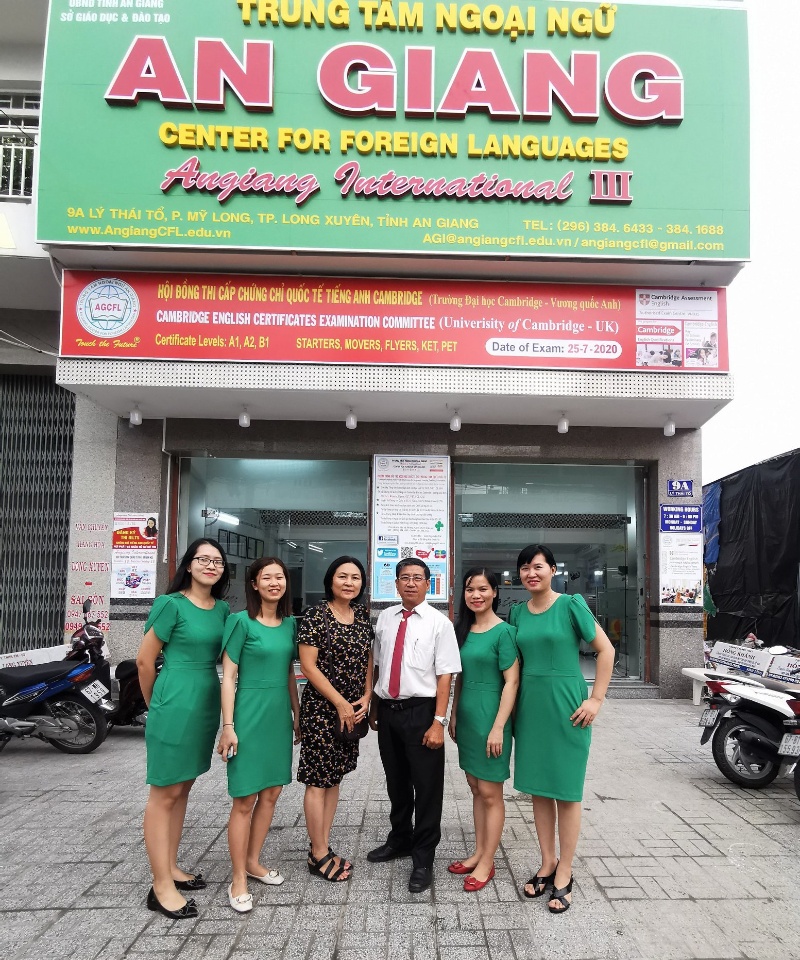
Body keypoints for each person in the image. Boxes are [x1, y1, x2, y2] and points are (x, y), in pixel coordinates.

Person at [512, 544, 614, 915]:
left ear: (553, 570)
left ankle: (565, 870)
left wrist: (596, 699)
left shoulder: (571, 605)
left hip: (568, 708)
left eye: (538, 566)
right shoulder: (517, 612)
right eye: (525, 567)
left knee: (567, 792)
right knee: (539, 790)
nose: (531, 573)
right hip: (530, 708)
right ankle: (547, 862)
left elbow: (606, 650)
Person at [136, 537, 230, 919]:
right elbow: (145, 661)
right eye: (203, 559)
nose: (210, 565)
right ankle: (160, 886)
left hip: (205, 702)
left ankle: (171, 867)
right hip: (174, 700)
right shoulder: (170, 604)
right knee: (163, 793)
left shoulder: (223, 609)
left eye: (217, 561)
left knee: (182, 788)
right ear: (188, 565)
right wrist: (156, 706)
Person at [367, 559, 462, 893]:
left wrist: (439, 723)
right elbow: (378, 665)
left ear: (428, 584)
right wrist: (375, 705)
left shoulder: (440, 623)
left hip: (422, 713)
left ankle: (423, 857)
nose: (410, 583)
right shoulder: (385, 619)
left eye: (417, 578)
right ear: (395, 584)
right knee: (396, 782)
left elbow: (445, 675)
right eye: (404, 577)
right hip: (389, 712)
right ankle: (400, 839)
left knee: (427, 787)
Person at [217, 557, 301, 913]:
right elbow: (228, 677)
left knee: (271, 793)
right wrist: (228, 726)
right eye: (267, 577)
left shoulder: (290, 624)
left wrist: (297, 713)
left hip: (278, 716)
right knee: (244, 798)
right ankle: (237, 877)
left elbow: (289, 672)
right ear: (254, 584)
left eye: (279, 577)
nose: (274, 583)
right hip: (248, 716)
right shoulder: (240, 622)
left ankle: (253, 861)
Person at [297, 556, 373, 882]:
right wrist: (340, 702)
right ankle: (318, 853)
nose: (349, 582)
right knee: (318, 781)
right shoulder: (316, 615)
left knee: (335, 777)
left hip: (352, 711)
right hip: (321, 710)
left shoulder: (362, 616)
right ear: (330, 580)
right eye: (342, 576)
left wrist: (367, 694)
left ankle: (322, 846)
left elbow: (368, 658)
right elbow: (308, 666)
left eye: (355, 577)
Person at [447, 567, 519, 892]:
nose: (476, 595)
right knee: (476, 788)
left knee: (491, 793)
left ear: (494, 592)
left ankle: (488, 862)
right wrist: (453, 714)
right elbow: (459, 676)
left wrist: (498, 727)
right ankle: (478, 852)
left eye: (482, 589)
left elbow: (511, 682)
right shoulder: (463, 630)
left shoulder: (505, 633)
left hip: (491, 717)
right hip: (468, 718)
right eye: (470, 589)